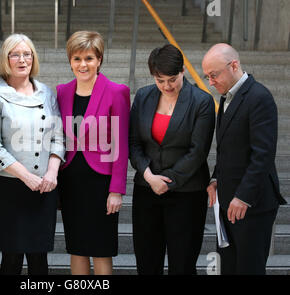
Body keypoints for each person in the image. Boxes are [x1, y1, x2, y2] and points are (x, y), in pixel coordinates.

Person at [0, 33, 65, 275]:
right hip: (7, 186)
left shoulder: (47, 94)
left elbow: (58, 137)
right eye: (15, 54)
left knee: (39, 257)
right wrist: (26, 176)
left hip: (44, 186)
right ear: (6, 59)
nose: (22, 59)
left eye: (27, 54)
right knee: (12, 255)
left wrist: (51, 172)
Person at [129, 44, 215, 275]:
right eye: (160, 80)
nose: (166, 86)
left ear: (183, 71)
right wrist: (148, 175)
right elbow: (134, 143)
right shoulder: (144, 96)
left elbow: (197, 152)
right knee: (147, 262)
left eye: (172, 79)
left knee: (183, 263)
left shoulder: (202, 101)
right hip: (146, 190)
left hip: (186, 193)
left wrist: (166, 181)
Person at [202, 43, 286, 275]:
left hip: (252, 205)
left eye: (214, 75)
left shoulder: (259, 97)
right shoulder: (225, 98)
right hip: (228, 203)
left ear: (234, 65)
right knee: (228, 268)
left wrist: (244, 197)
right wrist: (216, 177)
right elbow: (227, 149)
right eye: (207, 76)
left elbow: (263, 155)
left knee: (249, 269)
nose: (210, 82)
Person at [56, 31, 130, 275]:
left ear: (99, 59)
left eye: (89, 58)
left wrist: (116, 190)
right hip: (71, 181)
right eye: (76, 59)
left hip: (101, 182)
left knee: (100, 248)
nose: (82, 64)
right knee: (76, 247)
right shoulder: (62, 91)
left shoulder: (116, 91)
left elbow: (120, 144)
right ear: (70, 61)